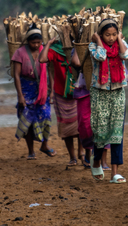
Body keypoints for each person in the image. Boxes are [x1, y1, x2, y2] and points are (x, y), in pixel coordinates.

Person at [88, 18, 128, 183]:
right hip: (100, 92)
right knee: (101, 131)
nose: (111, 38)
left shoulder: (121, 43)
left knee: (116, 132)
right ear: (101, 34)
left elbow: (126, 55)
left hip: (118, 91)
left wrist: (120, 39)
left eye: (114, 34)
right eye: (107, 35)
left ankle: (115, 173)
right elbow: (101, 56)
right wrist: (98, 40)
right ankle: (97, 160)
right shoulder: (93, 46)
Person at [12, 24, 56, 160]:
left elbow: (50, 72)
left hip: (42, 89)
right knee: (28, 120)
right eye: (33, 42)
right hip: (26, 89)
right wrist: (20, 96)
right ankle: (31, 151)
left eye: (38, 42)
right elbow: (17, 75)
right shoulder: (20, 53)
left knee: (46, 116)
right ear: (28, 42)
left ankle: (44, 145)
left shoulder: (45, 50)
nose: (36, 45)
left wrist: (52, 91)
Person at [39, 37, 83, 166]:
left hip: (78, 92)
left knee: (81, 124)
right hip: (61, 93)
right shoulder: (55, 50)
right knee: (66, 126)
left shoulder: (79, 49)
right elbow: (42, 59)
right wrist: (48, 44)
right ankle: (72, 157)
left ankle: (82, 152)